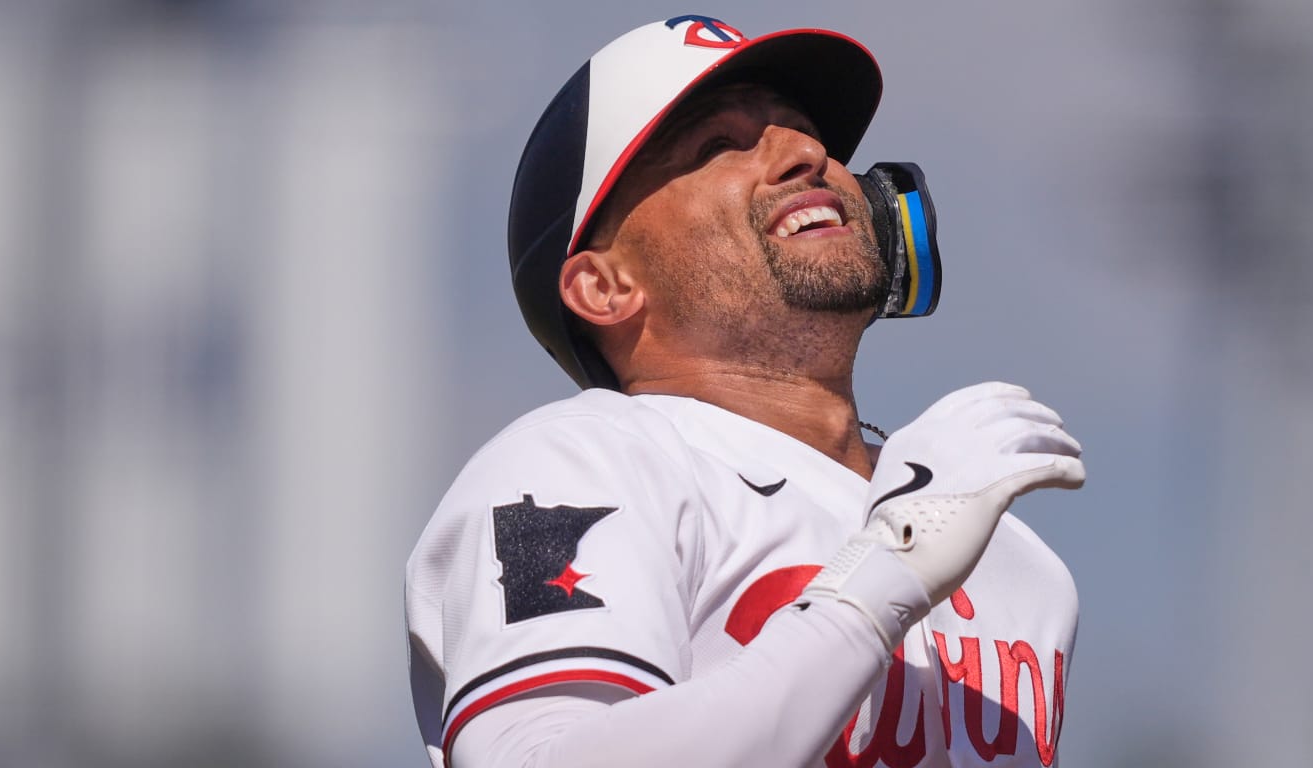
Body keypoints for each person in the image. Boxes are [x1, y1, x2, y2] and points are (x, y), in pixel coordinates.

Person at [406, 15, 1086, 768]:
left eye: (802, 130)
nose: (807, 154)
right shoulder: (572, 467)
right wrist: (886, 571)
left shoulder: (1020, 561)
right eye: (718, 145)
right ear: (604, 286)